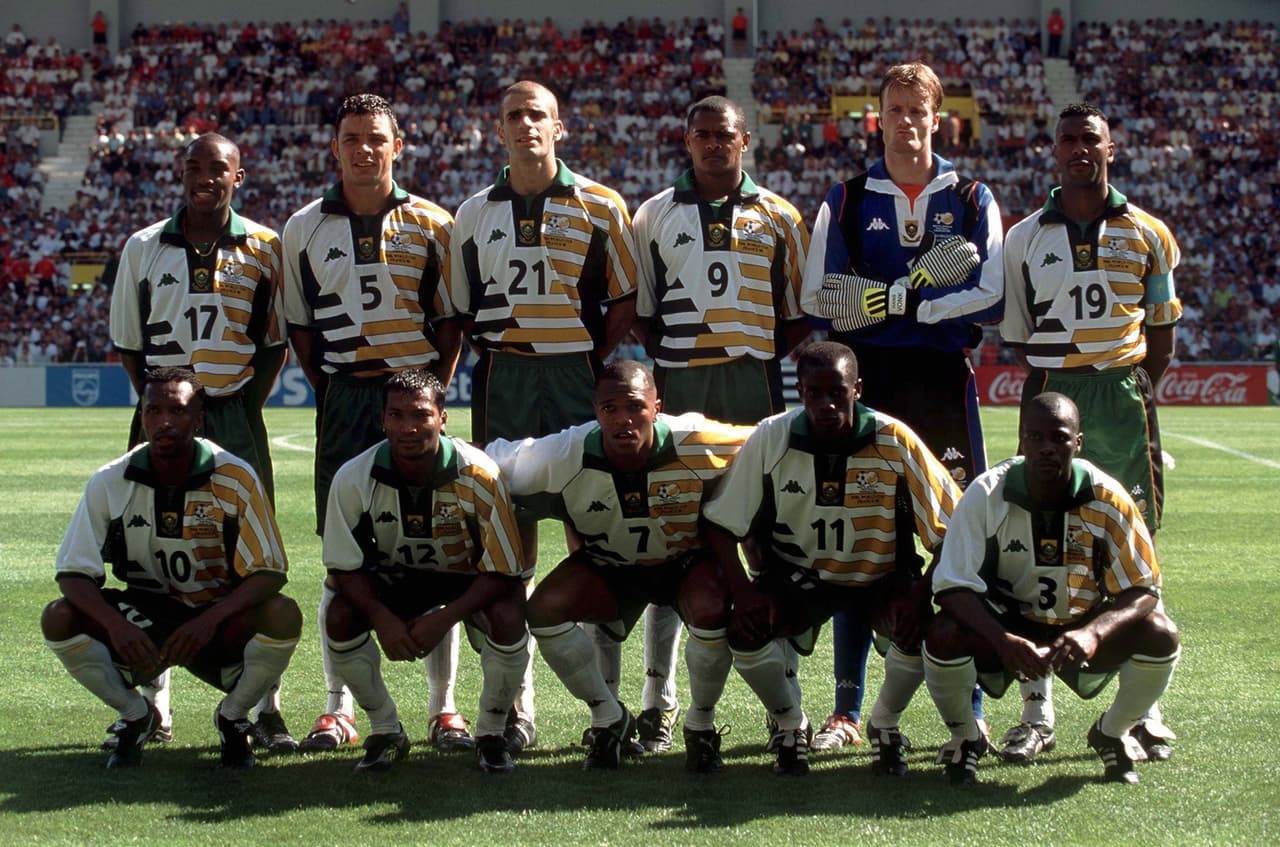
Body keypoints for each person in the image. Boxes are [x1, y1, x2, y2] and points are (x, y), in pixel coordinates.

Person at [801, 62, 1004, 754]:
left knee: (957, 540)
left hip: (944, 380)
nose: (907, 121)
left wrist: (906, 300)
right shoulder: (849, 199)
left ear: (936, 118)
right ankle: (848, 709)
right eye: (895, 109)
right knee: (864, 543)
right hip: (868, 381)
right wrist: (895, 299)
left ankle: (968, 709)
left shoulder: (972, 195)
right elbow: (816, 296)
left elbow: (993, 294)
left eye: (919, 111)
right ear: (878, 118)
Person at [449, 80, 640, 754]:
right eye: (513, 116)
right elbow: (462, 308)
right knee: (508, 545)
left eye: (538, 115)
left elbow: (622, 300)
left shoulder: (601, 205)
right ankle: (514, 709)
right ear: (497, 129)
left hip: (575, 376)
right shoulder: (472, 212)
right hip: (504, 377)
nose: (526, 125)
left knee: (595, 540)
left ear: (559, 125)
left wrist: (582, 356)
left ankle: (605, 709)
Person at [282, 93, 471, 756]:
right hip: (346, 402)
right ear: (335, 147)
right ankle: (338, 708)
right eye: (351, 138)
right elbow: (300, 328)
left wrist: (433, 388)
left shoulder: (432, 223)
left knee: (435, 546)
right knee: (343, 555)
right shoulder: (302, 227)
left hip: (413, 398)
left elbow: (451, 319)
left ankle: (444, 707)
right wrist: (336, 387)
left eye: (375, 138)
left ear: (398, 146)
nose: (364, 149)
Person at [998, 102, 1181, 765]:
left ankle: (1140, 705)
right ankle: (1036, 705)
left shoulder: (1149, 233)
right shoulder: (1022, 237)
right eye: (1068, 139)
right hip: (1053, 391)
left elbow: (1159, 338)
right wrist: (1064, 387)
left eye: (1090, 139)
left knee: (1134, 546)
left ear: (1112, 148)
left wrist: (1123, 386)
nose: (1079, 148)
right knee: (1038, 543)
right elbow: (1020, 339)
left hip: (1123, 399)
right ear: (1054, 151)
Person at [626, 93, 810, 751]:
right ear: (686, 140)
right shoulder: (651, 215)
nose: (712, 143)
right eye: (701, 133)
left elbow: (797, 315)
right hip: (680, 386)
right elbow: (642, 311)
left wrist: (748, 349)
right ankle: (658, 701)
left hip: (752, 383)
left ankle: (784, 707)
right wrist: (682, 355)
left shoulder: (782, 216)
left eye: (723, 133)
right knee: (675, 538)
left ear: (746, 140)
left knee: (765, 537)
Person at [107, 132, 293, 753]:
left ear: (239, 176)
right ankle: (155, 708)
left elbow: (272, 346)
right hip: (162, 417)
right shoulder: (141, 247)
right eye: (194, 166)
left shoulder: (265, 247)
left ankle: (261, 707)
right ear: (181, 174)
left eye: (218, 167)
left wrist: (235, 404)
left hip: (235, 414)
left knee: (252, 556)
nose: (204, 176)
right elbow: (129, 344)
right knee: (152, 554)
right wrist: (163, 405)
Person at [703, 341, 962, 775]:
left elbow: (952, 530)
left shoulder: (893, 439)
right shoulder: (772, 436)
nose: (826, 404)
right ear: (799, 392)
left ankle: (884, 724)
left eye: (836, 393)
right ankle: (790, 725)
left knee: (921, 628)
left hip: (879, 577)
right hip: (799, 579)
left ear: (856, 389)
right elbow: (720, 523)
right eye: (814, 393)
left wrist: (920, 593)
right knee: (743, 628)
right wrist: (744, 591)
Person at [486, 361, 752, 772]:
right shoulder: (564, 453)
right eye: (610, 409)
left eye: (634, 407)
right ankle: (609, 716)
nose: (623, 419)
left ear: (657, 408)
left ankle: (700, 725)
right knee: (543, 609)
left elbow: (766, 443)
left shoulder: (695, 440)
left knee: (712, 606)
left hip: (683, 564)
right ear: (595, 411)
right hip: (610, 566)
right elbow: (491, 463)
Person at [41, 367, 301, 769]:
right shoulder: (111, 480)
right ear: (141, 415)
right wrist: (116, 626)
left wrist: (208, 620)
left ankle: (233, 718)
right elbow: (73, 573)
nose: (164, 421)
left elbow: (269, 572)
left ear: (199, 419)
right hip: (147, 617)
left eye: (177, 411)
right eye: (153, 410)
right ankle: (136, 715)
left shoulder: (234, 476)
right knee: (59, 617)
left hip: (216, 617)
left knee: (283, 614)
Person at [922, 393, 1180, 785]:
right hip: (1009, 622)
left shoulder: (1108, 496)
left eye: (1058, 438)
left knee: (1161, 633)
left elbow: (1144, 587)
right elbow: (951, 585)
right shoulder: (986, 493)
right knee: (942, 634)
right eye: (1035, 437)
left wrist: (1093, 633)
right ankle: (966, 739)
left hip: (1081, 621)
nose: (1046, 448)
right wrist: (1001, 639)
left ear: (1078, 442)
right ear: (1021, 441)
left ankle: (1111, 732)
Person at [321, 369, 530, 774]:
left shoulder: (480, 474)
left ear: (442, 418)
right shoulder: (354, 476)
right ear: (382, 420)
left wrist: (444, 619)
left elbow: (504, 570)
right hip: (400, 578)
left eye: (420, 415)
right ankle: (384, 729)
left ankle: (489, 734)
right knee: (340, 614)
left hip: (468, 579)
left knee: (509, 612)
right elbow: (343, 567)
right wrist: (382, 618)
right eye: (396, 416)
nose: (408, 427)